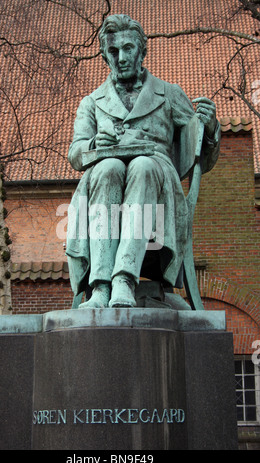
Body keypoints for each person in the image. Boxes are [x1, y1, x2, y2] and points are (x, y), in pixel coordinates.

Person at [66, 14, 220, 309]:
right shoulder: (92, 102)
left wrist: (210, 127)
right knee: (108, 168)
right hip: (105, 176)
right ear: (104, 55)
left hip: (157, 183)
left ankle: (124, 279)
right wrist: (93, 144)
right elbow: (75, 154)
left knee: (143, 165)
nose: (121, 58)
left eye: (128, 49)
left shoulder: (169, 94)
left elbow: (202, 153)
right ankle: (100, 286)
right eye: (113, 51)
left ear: (142, 50)